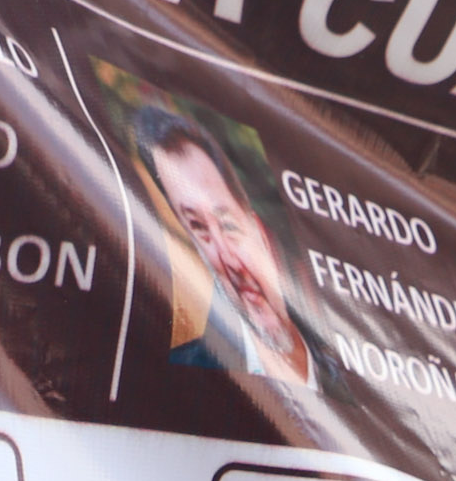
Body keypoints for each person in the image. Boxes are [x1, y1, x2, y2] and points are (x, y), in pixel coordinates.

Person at [135, 107, 341, 399]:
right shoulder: (185, 382)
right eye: (199, 229)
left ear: (260, 231)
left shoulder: (343, 370)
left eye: (229, 225)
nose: (228, 259)